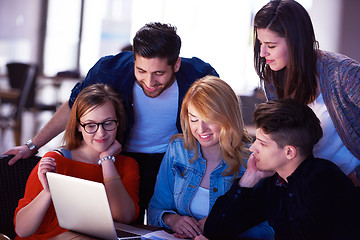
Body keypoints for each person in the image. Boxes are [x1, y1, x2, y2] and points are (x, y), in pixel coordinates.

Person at [4, 22, 218, 223]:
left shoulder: (199, 76)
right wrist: (32, 145)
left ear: (177, 64)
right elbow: (74, 106)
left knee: (166, 224)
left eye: (159, 73)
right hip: (120, 156)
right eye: (141, 71)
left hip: (170, 162)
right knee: (121, 225)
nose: (150, 82)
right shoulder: (109, 70)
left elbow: (221, 117)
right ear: (134, 60)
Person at [200, 99, 360, 240]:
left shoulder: (324, 180)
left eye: (262, 143)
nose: (252, 148)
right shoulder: (275, 181)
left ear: (289, 152)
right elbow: (214, 230)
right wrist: (248, 179)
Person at [148, 76, 275, 239]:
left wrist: (216, 227)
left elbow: (266, 229)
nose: (200, 129)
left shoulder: (253, 159)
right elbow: (155, 210)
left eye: (209, 119)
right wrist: (173, 220)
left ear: (228, 116)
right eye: (194, 119)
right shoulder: (177, 149)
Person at [252, 0, 360, 186]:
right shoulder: (273, 79)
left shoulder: (343, 74)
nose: (262, 53)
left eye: (271, 46)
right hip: (305, 187)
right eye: (261, 43)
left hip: (347, 187)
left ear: (296, 43)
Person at [14, 84, 139, 239]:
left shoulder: (128, 165)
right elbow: (22, 230)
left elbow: (124, 217)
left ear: (118, 122)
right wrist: (48, 190)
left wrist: (106, 160)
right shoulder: (54, 161)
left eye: (108, 123)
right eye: (90, 125)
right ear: (79, 126)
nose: (101, 133)